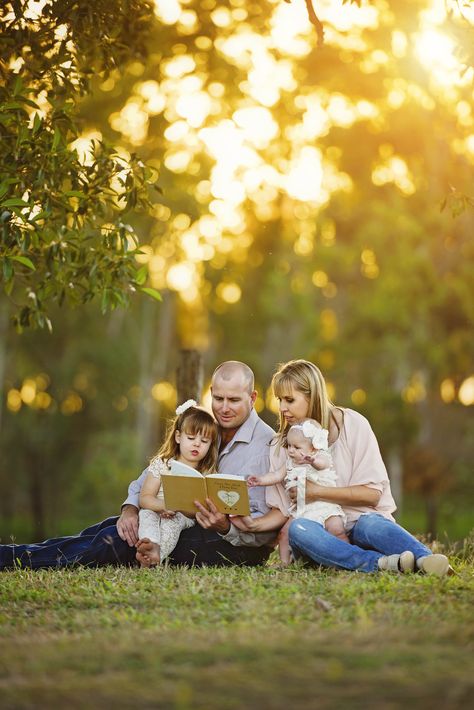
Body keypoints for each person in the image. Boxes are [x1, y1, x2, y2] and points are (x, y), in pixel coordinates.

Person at [0, 361, 283, 570]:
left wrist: (224, 527)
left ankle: (12, 560)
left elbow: (264, 528)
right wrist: (130, 508)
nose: (224, 408)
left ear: (253, 398)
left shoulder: (267, 446)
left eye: (234, 400)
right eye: (218, 399)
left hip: (229, 546)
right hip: (182, 522)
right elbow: (152, 474)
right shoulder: (204, 427)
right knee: (109, 528)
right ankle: (14, 553)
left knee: (117, 543)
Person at [232, 359, 451, 576]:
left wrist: (316, 491)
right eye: (279, 399)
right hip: (319, 534)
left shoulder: (354, 425)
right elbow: (282, 510)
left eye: (289, 400)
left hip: (359, 522)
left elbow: (373, 495)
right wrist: (254, 524)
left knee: (371, 524)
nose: (281, 408)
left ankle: (426, 561)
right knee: (299, 530)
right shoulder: (283, 446)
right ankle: (380, 564)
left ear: (313, 396)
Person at [233, 418, 349, 565]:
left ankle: (346, 556)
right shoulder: (290, 462)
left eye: (297, 447)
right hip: (301, 509)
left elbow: (323, 465)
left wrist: (312, 461)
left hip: (323, 505)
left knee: (337, 529)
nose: (291, 450)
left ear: (313, 448)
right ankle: (284, 563)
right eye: (289, 446)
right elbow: (276, 475)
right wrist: (260, 480)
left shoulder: (320, 457)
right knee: (284, 534)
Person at [136, 401, 219, 567]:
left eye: (204, 441)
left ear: (210, 445)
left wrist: (178, 509)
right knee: (146, 515)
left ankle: (157, 555)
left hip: (183, 516)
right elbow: (144, 498)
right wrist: (162, 506)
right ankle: (149, 545)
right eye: (191, 438)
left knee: (171, 523)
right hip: (156, 508)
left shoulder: (207, 473)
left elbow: (202, 509)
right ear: (178, 437)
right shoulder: (163, 464)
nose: (197, 444)